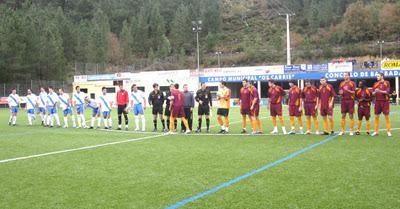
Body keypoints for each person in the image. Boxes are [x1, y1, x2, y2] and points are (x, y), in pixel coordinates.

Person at [371, 73, 392, 137]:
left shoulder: (387, 82)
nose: (377, 77)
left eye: (378, 76)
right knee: (376, 116)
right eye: (377, 76)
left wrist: (379, 91)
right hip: (377, 102)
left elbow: (387, 92)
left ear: (382, 76)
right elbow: (373, 93)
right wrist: (374, 92)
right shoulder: (375, 84)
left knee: (386, 116)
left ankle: (388, 131)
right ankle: (376, 131)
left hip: (385, 102)